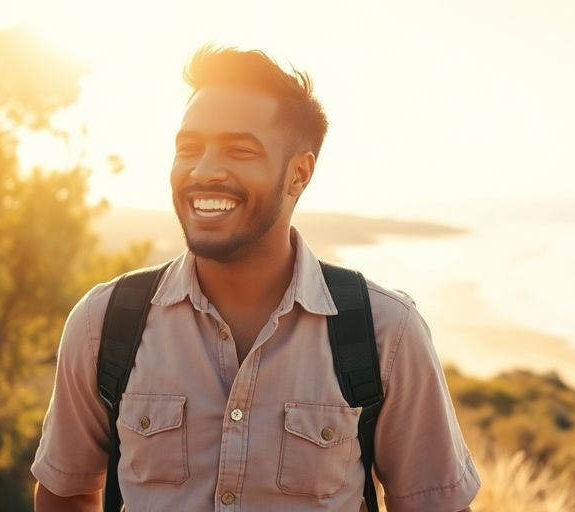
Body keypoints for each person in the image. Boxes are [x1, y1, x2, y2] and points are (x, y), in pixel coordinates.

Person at [31, 45, 481, 512]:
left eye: (239, 150)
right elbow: (67, 493)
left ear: (298, 174)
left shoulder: (386, 333)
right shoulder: (103, 325)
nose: (203, 170)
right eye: (189, 148)